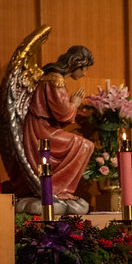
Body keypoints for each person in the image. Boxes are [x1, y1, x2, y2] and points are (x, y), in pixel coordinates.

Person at [21, 45, 95, 210]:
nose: (84, 73)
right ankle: (58, 188)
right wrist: (74, 104)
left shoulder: (51, 78)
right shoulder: (56, 81)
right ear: (76, 64)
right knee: (85, 145)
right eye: (84, 68)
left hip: (41, 128)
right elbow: (63, 113)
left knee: (84, 145)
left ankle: (59, 188)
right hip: (42, 131)